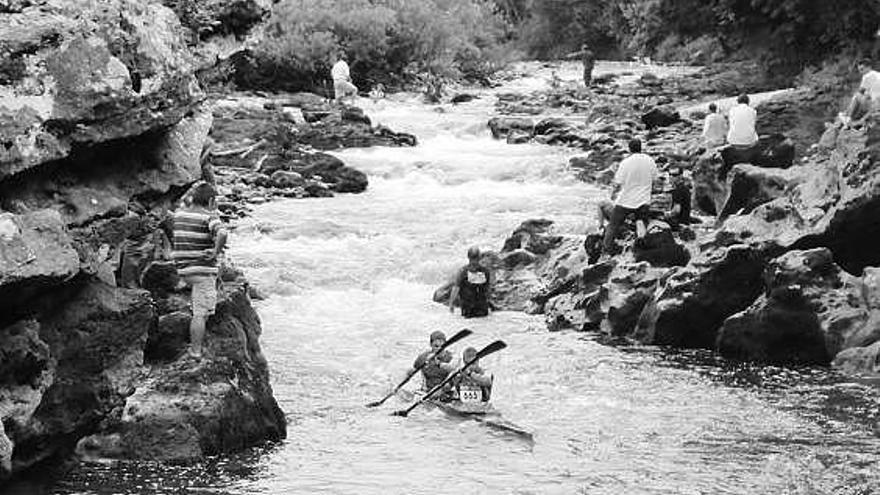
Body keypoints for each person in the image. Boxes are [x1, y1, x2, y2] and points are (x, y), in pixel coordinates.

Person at [172, 182, 227, 359]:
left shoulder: (179, 214)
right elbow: (223, 234)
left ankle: (188, 292)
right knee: (200, 314)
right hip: (202, 272)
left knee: (200, 301)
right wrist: (215, 252)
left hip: (183, 270)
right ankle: (195, 351)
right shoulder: (209, 217)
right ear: (211, 201)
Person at [602, 138, 657, 256]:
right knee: (641, 221)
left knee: (613, 224)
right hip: (644, 199)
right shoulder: (650, 160)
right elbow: (655, 179)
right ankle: (640, 246)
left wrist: (612, 195)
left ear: (629, 149)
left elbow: (618, 183)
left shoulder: (625, 163)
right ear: (640, 147)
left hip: (626, 200)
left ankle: (607, 249)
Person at [449, 246, 492, 318]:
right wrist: (451, 303)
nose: (474, 261)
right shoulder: (463, 272)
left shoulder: (484, 271)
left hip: (477, 308)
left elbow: (487, 288)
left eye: (475, 258)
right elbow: (456, 288)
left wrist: (451, 303)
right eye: (473, 258)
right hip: (472, 308)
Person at [412, 330, 456, 397]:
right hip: (428, 391)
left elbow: (456, 371)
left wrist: (439, 364)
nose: (440, 349)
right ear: (430, 345)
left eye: (442, 346)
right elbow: (411, 371)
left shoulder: (451, 358)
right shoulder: (423, 357)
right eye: (436, 346)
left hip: (445, 390)